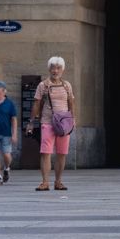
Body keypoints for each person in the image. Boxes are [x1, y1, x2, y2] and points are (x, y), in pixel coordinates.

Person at [33, 57, 76, 191]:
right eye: (53, 68)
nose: (55, 71)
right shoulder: (43, 85)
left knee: (62, 153)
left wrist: (73, 119)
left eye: (58, 68)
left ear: (62, 70)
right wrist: (32, 120)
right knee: (45, 153)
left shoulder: (67, 85)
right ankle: (45, 182)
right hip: (47, 122)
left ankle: (58, 182)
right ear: (49, 69)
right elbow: (37, 103)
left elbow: (71, 102)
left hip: (63, 124)